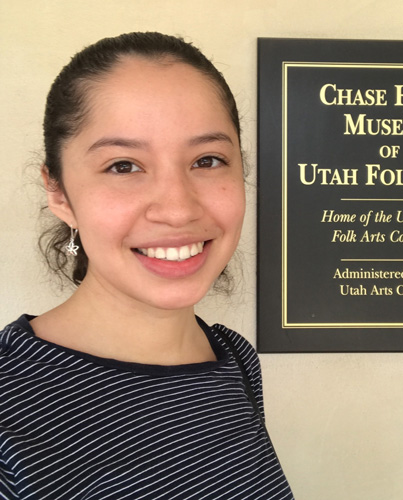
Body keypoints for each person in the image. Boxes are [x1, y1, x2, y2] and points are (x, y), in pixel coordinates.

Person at [0, 32, 294, 499]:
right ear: (58, 192)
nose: (178, 209)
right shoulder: (10, 404)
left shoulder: (232, 358)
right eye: (123, 166)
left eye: (208, 160)